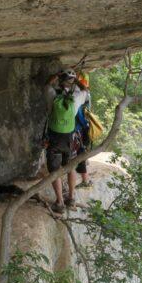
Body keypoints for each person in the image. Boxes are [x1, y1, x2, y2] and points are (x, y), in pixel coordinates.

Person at [44, 68, 89, 213]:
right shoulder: (76, 97)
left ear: (60, 80)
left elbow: (47, 85)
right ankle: (71, 198)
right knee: (70, 168)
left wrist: (56, 75)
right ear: (71, 82)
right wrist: (76, 80)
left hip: (54, 139)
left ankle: (60, 202)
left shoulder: (52, 95)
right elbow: (85, 91)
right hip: (70, 139)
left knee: (54, 171)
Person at [74, 72, 93, 189]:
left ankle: (85, 181)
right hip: (86, 127)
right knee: (82, 151)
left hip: (81, 128)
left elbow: (79, 116)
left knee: (80, 153)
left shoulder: (81, 97)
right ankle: (85, 179)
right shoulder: (88, 95)